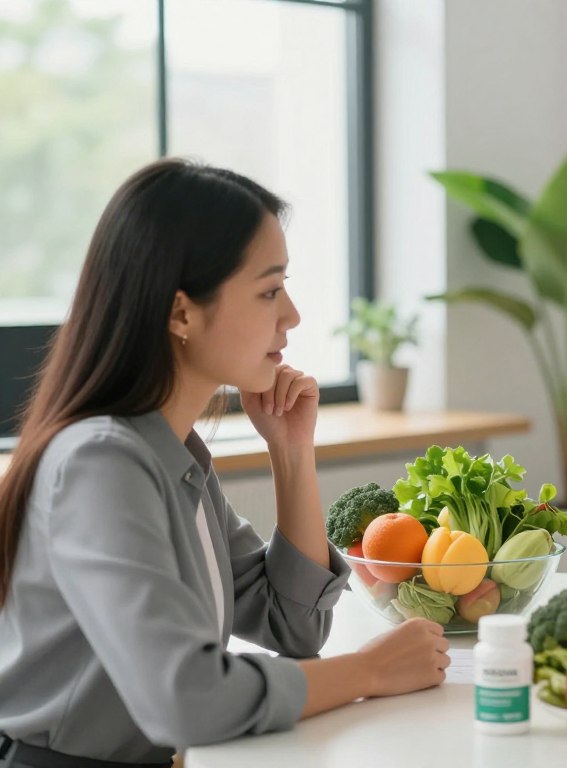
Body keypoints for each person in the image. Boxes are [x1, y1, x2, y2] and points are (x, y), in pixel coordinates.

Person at [0, 160, 448, 767]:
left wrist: (291, 453)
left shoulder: (175, 455)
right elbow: (186, 699)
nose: (291, 315)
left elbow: (292, 627)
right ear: (181, 313)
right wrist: (369, 670)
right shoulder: (100, 465)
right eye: (269, 290)